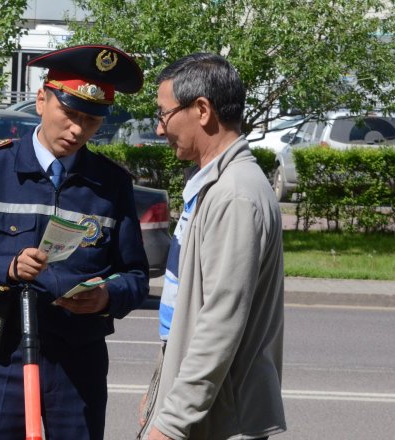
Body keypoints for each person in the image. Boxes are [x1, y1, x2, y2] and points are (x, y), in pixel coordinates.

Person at [0, 45, 150, 440]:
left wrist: (106, 296)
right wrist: (7, 267)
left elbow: (135, 275)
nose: (76, 130)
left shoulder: (110, 183)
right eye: (69, 114)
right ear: (41, 100)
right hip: (2, 355)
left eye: (90, 121)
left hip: (77, 360)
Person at [137, 53, 286, 440]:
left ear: (202, 110)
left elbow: (220, 322)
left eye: (164, 114)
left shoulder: (235, 194)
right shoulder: (217, 185)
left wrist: (170, 422)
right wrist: (161, 388)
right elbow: (184, 312)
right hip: (203, 410)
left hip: (218, 419)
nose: (158, 128)